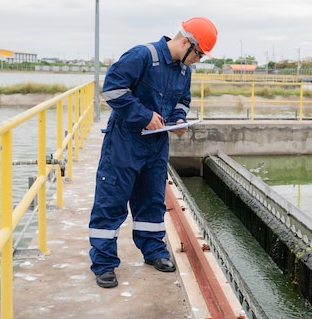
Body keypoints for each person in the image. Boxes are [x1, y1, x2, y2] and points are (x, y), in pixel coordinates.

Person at [88, 17, 218, 288]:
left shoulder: (184, 71)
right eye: (199, 54)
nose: (198, 60)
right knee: (111, 201)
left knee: (152, 199)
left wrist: (180, 120)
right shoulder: (143, 56)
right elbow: (112, 89)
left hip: (156, 145)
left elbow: (182, 101)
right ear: (185, 42)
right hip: (125, 142)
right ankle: (104, 263)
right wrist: (143, 115)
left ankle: (154, 251)